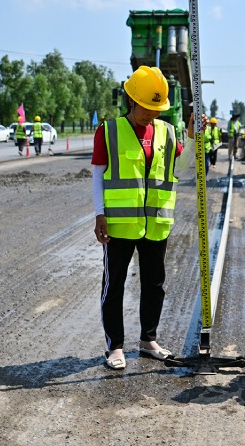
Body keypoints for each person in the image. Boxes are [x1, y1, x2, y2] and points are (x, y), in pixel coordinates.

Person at [91, 65, 206, 370]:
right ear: (131, 100)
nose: (151, 114)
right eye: (147, 107)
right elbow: (98, 176)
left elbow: (182, 171)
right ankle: (114, 347)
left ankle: (148, 340)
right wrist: (99, 214)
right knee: (114, 284)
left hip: (156, 223)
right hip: (119, 224)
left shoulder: (167, 132)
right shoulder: (109, 131)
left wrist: (194, 139)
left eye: (157, 108)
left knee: (154, 284)